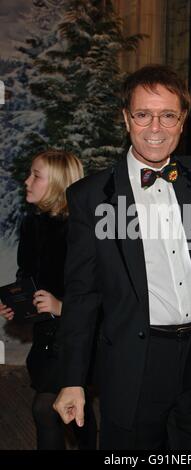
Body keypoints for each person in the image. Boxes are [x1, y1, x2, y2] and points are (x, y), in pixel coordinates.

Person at [53, 64, 191, 450]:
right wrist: (72, 378)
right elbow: (82, 296)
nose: (155, 128)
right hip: (134, 362)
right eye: (143, 115)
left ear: (181, 122)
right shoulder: (91, 198)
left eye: (167, 115)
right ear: (126, 119)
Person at [0, 150, 97, 450]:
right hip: (46, 334)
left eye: (35, 176)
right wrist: (17, 304)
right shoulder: (32, 224)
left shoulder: (82, 231)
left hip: (76, 335)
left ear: (55, 183)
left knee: (46, 408)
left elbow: (102, 293)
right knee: (68, 409)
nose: (26, 181)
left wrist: (61, 306)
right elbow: (27, 277)